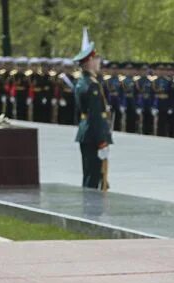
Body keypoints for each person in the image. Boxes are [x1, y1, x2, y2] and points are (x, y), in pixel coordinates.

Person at [73, 41, 112, 190]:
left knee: (90, 174)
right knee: (93, 177)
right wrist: (102, 140)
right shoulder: (91, 85)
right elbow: (95, 115)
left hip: (87, 132)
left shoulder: (84, 82)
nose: (99, 62)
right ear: (90, 61)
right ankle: (91, 212)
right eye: (96, 59)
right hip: (94, 134)